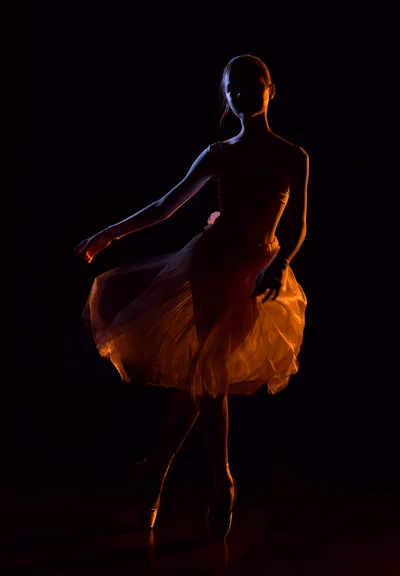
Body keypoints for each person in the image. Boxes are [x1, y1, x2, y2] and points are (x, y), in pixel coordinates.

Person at [74, 54, 309, 540]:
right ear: (227, 98)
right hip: (210, 265)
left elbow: (298, 226)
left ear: (270, 90)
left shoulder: (293, 156)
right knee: (212, 373)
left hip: (257, 268)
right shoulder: (220, 152)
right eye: (234, 89)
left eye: (252, 85)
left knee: (205, 375)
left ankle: (155, 468)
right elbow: (165, 206)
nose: (243, 95)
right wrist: (109, 235)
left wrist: (281, 264)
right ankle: (221, 480)